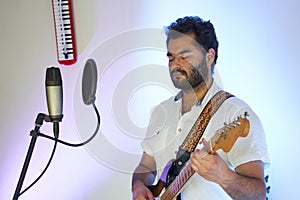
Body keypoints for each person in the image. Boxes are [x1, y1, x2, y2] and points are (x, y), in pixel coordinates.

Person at [131, 16, 270, 200]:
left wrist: (225, 178)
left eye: (185, 56)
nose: (175, 64)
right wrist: (139, 187)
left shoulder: (235, 114)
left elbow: (258, 195)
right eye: (171, 57)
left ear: (209, 56)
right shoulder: (160, 112)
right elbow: (146, 167)